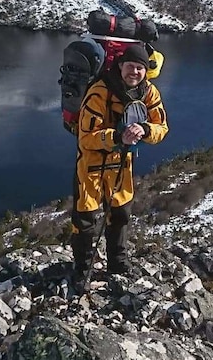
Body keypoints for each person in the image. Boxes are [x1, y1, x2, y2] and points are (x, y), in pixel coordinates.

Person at [71, 43, 169, 278]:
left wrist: (145, 130)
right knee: (86, 218)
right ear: (120, 65)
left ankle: (117, 263)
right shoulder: (99, 91)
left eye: (139, 68)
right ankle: (82, 268)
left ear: (146, 71)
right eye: (130, 66)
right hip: (91, 164)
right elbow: (86, 139)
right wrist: (116, 136)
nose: (134, 72)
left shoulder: (149, 92)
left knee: (120, 213)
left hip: (121, 163)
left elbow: (162, 128)